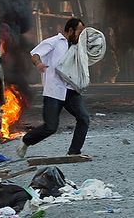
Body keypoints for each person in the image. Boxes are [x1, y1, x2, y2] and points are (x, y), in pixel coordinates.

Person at [17, 18, 90, 158]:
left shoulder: (77, 46)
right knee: (50, 127)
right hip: (54, 91)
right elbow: (35, 54)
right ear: (70, 30)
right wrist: (38, 64)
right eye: (79, 32)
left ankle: (74, 152)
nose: (81, 35)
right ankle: (26, 140)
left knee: (84, 118)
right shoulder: (54, 42)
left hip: (71, 90)